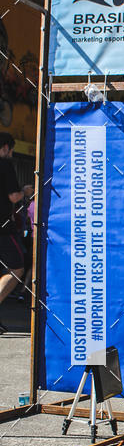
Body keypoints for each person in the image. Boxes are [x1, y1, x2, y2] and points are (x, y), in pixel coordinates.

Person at [0, 133, 24, 332]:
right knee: (16, 268)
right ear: (5, 148)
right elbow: (14, 197)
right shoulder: (5, 165)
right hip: (3, 228)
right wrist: (25, 191)